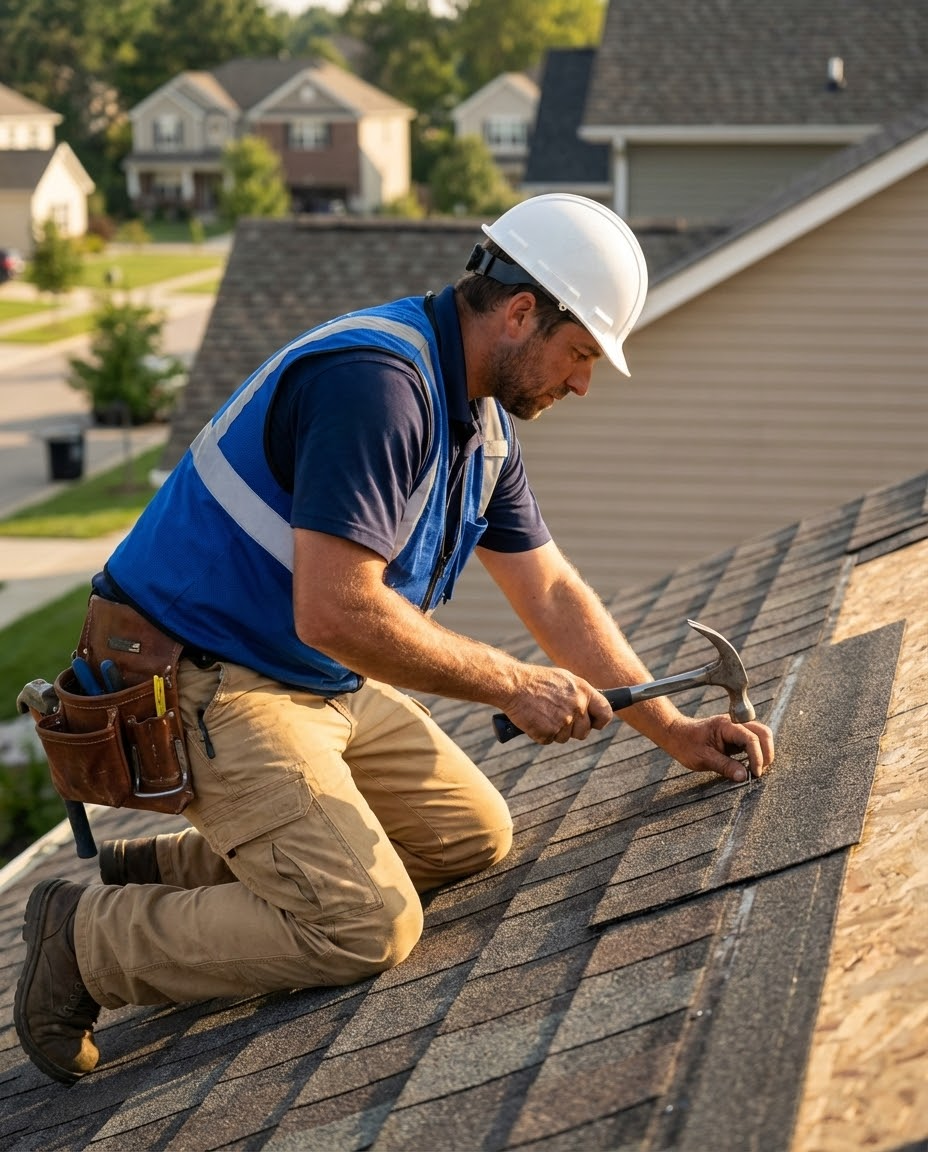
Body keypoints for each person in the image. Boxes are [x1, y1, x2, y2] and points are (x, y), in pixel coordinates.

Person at [15, 194, 774, 1084]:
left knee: (471, 838)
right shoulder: (377, 387)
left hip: (309, 678)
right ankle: (85, 940)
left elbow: (553, 589)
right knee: (364, 925)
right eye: (579, 354)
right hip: (203, 680)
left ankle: (169, 866)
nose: (581, 383)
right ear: (522, 312)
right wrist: (511, 685)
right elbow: (334, 612)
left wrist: (675, 731)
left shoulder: (479, 423)